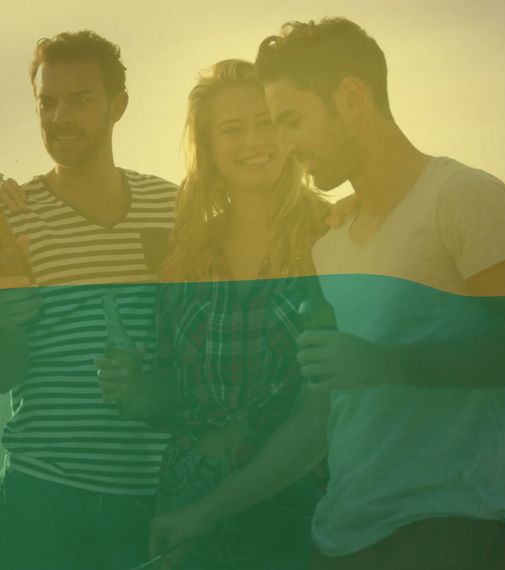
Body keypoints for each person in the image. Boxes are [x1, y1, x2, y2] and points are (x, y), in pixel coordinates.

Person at [149, 18, 505, 570]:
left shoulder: (464, 198)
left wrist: (385, 363)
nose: (285, 144)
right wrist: (205, 512)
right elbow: (322, 419)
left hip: (447, 536)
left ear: (350, 98)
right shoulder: (333, 246)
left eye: (291, 121)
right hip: (337, 542)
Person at [99, 58, 330, 569]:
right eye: (232, 129)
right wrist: (136, 388)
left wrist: (210, 510)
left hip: (298, 503)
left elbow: (329, 410)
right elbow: (172, 400)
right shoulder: (188, 252)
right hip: (187, 500)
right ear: (208, 146)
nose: (253, 142)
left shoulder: (333, 236)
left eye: (266, 123)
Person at [0, 31, 179, 570]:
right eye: (47, 102)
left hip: (152, 493)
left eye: (80, 100)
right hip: (42, 498)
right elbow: (0, 375)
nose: (59, 117)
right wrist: (0, 322)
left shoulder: (174, 207)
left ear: (118, 106)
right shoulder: (12, 215)